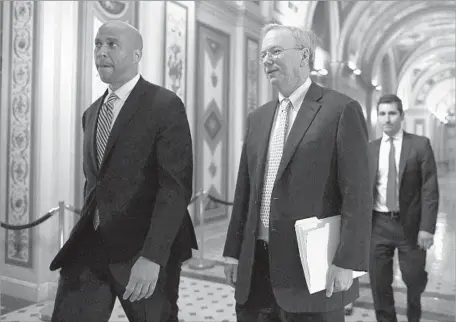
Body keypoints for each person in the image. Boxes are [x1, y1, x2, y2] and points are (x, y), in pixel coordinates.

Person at [223, 23, 372, 322]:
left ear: (304, 56)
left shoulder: (340, 110)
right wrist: (232, 250)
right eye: (263, 53)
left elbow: (357, 193)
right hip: (257, 269)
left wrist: (347, 261)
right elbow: (245, 191)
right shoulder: (259, 118)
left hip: (312, 272)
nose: (266, 59)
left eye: (276, 51)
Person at [49, 21, 197, 322]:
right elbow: (94, 184)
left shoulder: (164, 105)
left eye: (111, 44)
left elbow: (174, 188)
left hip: (143, 250)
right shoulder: (91, 114)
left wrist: (153, 257)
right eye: (97, 44)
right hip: (92, 247)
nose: (101, 52)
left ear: (136, 54)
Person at [369, 94, 439, 322]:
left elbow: (429, 189)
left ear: (401, 116)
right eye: (382, 114)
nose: (387, 119)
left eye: (392, 113)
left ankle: (414, 314)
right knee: (379, 283)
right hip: (378, 225)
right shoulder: (370, 149)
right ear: (378, 116)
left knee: (414, 277)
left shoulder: (419, 145)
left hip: (410, 225)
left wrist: (427, 228)